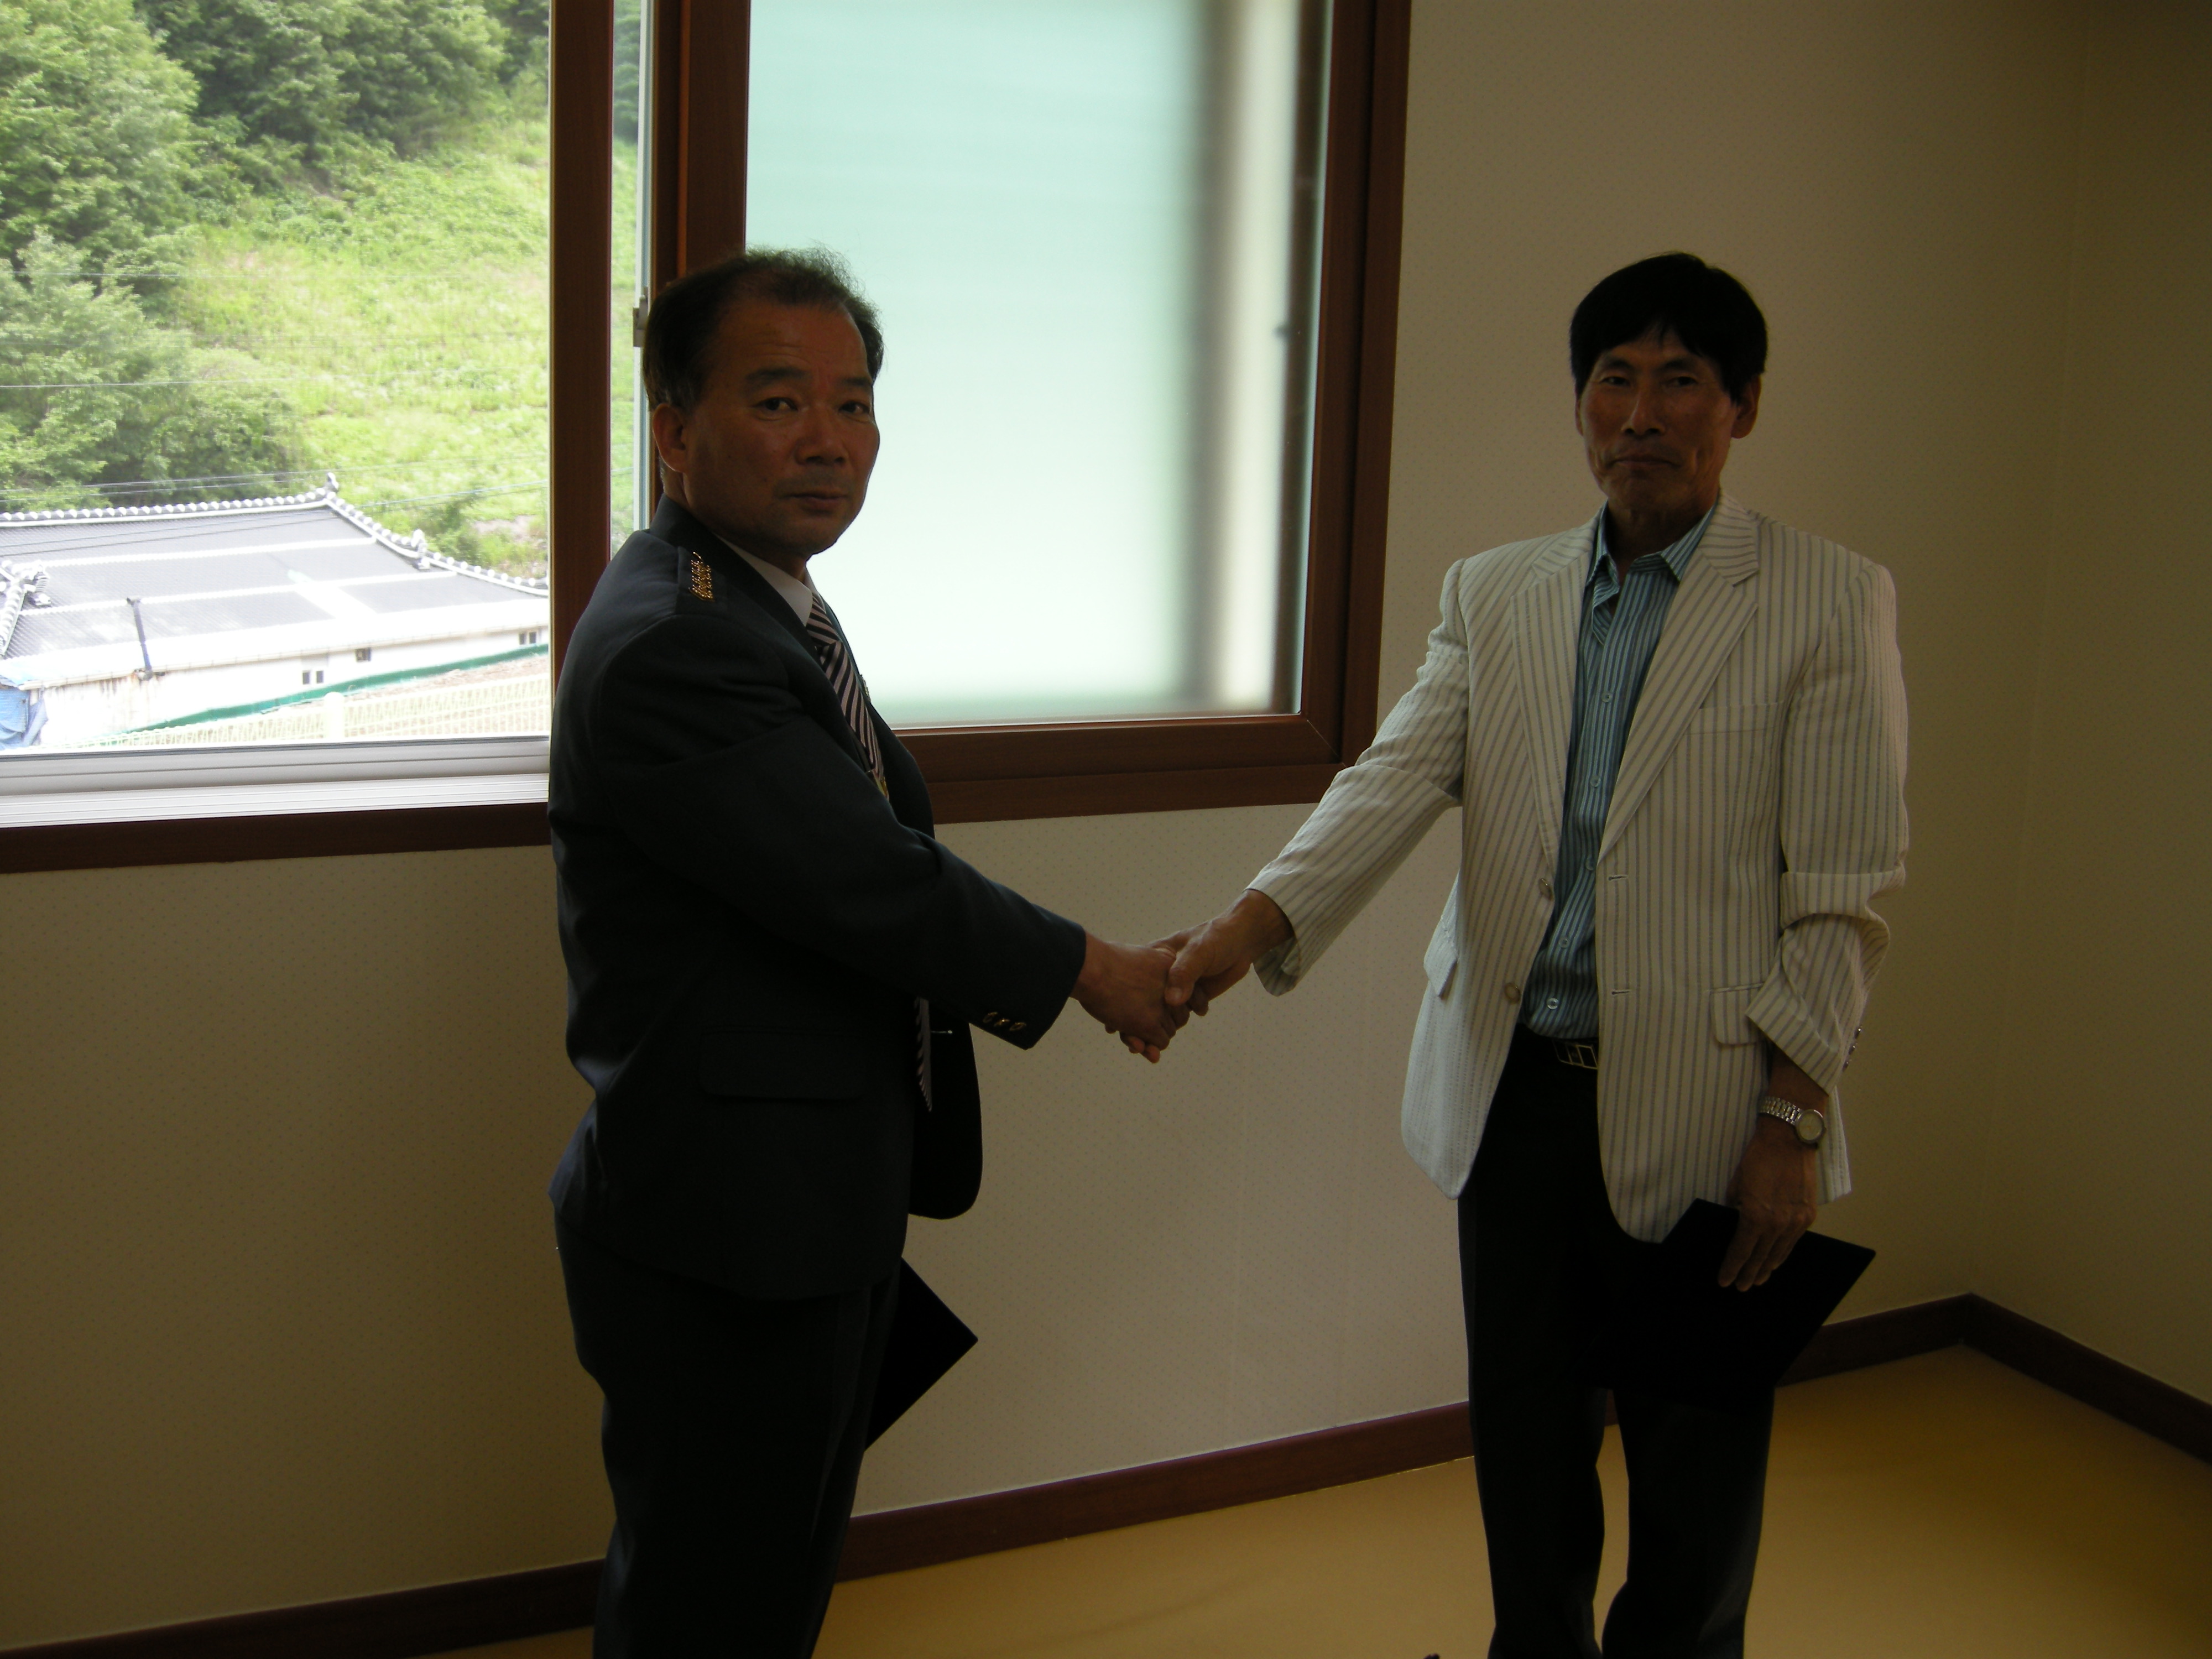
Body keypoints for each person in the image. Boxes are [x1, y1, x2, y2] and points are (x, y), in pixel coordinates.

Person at [1159, 253, 1908, 1658]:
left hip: (1709, 1113)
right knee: (1524, 1456)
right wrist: (1243, 928)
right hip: (1510, 1104)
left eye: (1680, 379)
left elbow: (1841, 890)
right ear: (1578, 404)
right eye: (1613, 377)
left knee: (1693, 1480)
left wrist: (1792, 1117)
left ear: (1740, 405)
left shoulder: (1822, 598)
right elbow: (1393, 777)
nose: (1641, 411)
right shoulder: (1494, 593)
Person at [546, 248, 1180, 1657]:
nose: (828, 440)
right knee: (713, 1608)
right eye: (779, 402)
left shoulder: (747, 599)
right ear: (673, 428)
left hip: (792, 1199)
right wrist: (1097, 969)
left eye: (852, 404)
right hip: (732, 1229)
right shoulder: (679, 641)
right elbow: (872, 884)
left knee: (756, 1586)